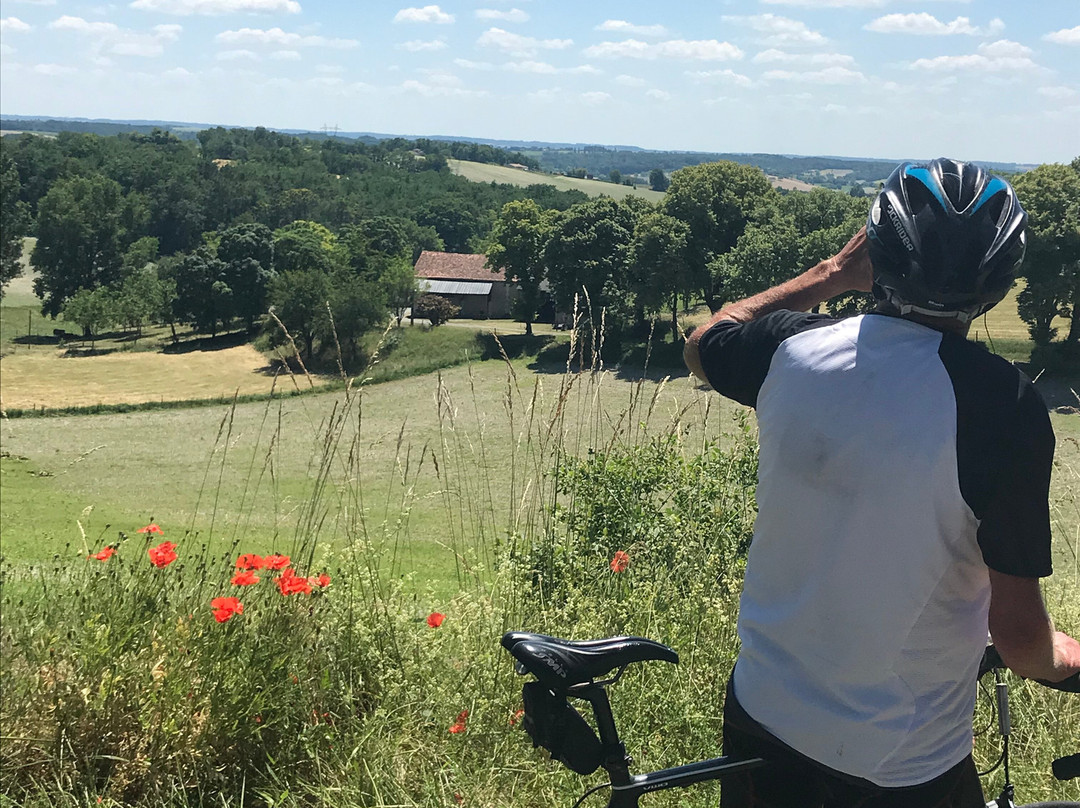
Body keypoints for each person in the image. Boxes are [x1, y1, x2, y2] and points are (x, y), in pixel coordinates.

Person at [682, 158, 1080, 807]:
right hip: (899, 763)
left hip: (762, 714)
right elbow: (1020, 640)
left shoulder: (792, 350)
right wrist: (1064, 658)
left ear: (877, 252)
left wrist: (831, 275)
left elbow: (704, 342)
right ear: (999, 284)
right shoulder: (1002, 409)